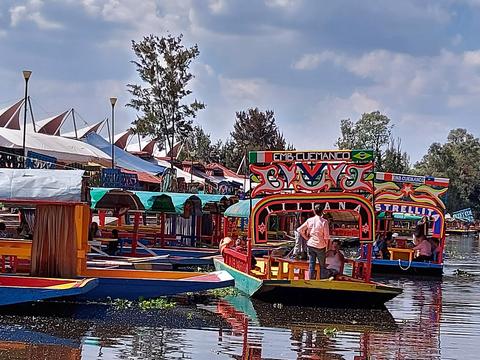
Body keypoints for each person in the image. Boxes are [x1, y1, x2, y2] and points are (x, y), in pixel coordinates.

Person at [298, 204, 330, 280]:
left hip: (311, 244)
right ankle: (323, 281)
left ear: (314, 211)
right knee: (322, 266)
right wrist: (326, 246)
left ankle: (311, 280)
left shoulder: (309, 220)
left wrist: (306, 238)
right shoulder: (324, 222)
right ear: (322, 211)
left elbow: (300, 230)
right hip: (320, 246)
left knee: (311, 264)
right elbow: (326, 236)